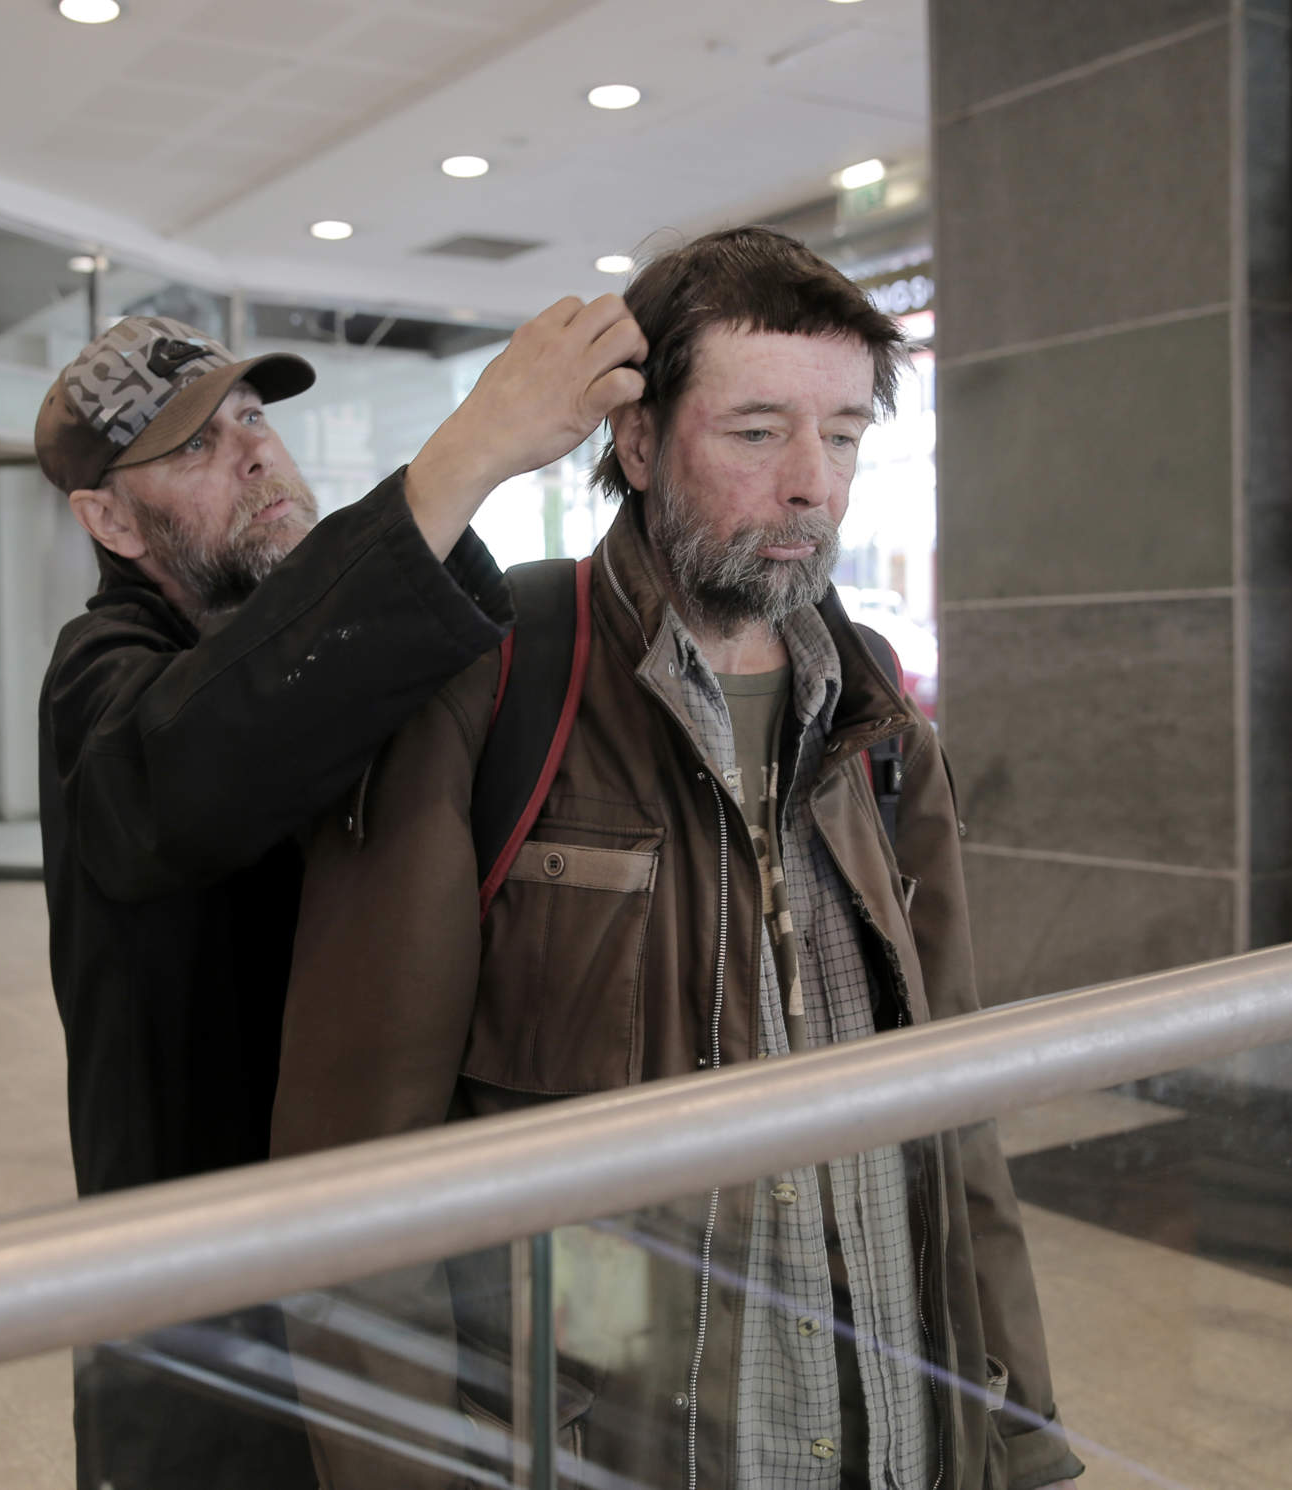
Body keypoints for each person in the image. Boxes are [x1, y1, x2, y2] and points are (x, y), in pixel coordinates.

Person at [271, 228, 1088, 1490]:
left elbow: (956, 1109)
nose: (812, 482)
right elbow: (352, 1184)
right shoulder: (494, 691)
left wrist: (1020, 1431)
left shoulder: (876, 724)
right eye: (757, 431)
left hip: (895, 1436)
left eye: (846, 433)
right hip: (633, 1440)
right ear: (640, 443)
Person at [33, 301, 645, 1489]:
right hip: (200, 1321)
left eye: (254, 417)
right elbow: (208, 752)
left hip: (368, 1269)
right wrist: (470, 449)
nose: (258, 449)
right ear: (108, 517)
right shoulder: (101, 680)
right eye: (195, 446)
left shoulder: (311, 644)